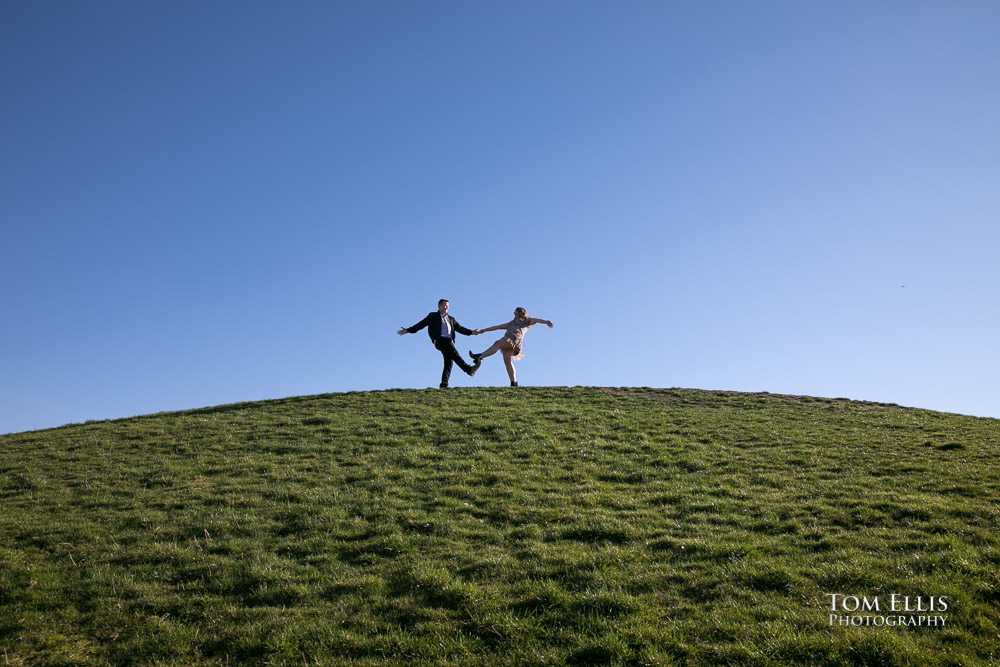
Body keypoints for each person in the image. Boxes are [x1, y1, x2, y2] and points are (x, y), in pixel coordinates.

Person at [398, 299, 482, 389]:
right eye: (445, 305)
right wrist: (408, 330)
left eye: (448, 305)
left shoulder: (451, 319)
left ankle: (443, 384)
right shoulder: (432, 316)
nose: (447, 307)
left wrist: (472, 332)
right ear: (439, 306)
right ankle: (469, 369)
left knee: (449, 361)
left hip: (449, 341)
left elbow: (460, 328)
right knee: (454, 354)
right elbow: (420, 324)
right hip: (439, 340)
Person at [469, 307, 553, 386]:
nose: (513, 312)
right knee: (507, 362)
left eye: (515, 311)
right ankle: (514, 383)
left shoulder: (527, 320)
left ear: (520, 312)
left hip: (514, 340)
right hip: (508, 341)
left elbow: (537, 320)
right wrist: (485, 330)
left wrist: (546, 322)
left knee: (498, 343)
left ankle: (480, 356)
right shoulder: (511, 323)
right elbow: (498, 326)